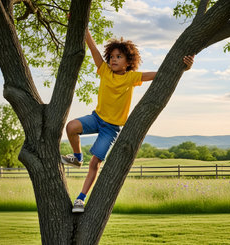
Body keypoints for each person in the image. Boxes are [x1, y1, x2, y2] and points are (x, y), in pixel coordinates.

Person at [61, 27, 194, 213]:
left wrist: (183, 67)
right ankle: (77, 157)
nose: (113, 59)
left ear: (128, 62)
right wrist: (81, 24)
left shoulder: (132, 77)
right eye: (112, 56)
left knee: (95, 163)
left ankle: (80, 199)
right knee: (71, 126)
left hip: (111, 128)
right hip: (96, 118)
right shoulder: (104, 70)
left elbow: (161, 73)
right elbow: (92, 48)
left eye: (119, 57)